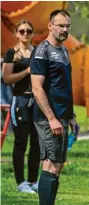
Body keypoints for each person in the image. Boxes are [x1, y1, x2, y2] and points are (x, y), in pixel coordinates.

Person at [30, 10, 78, 205]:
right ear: (50, 26)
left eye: (67, 26)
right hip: (48, 118)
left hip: (61, 117)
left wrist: (71, 116)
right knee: (50, 164)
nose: (65, 30)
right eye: (60, 25)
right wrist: (51, 118)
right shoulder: (42, 52)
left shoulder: (64, 51)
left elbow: (64, 88)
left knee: (56, 166)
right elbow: (37, 88)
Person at [2, 20, 40, 194]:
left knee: (37, 143)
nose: (25, 34)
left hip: (37, 100)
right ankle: (20, 182)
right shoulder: (12, 53)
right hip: (21, 100)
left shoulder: (38, 52)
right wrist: (26, 72)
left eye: (29, 31)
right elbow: (6, 78)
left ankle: (33, 180)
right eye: (22, 31)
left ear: (32, 34)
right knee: (20, 142)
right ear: (16, 34)